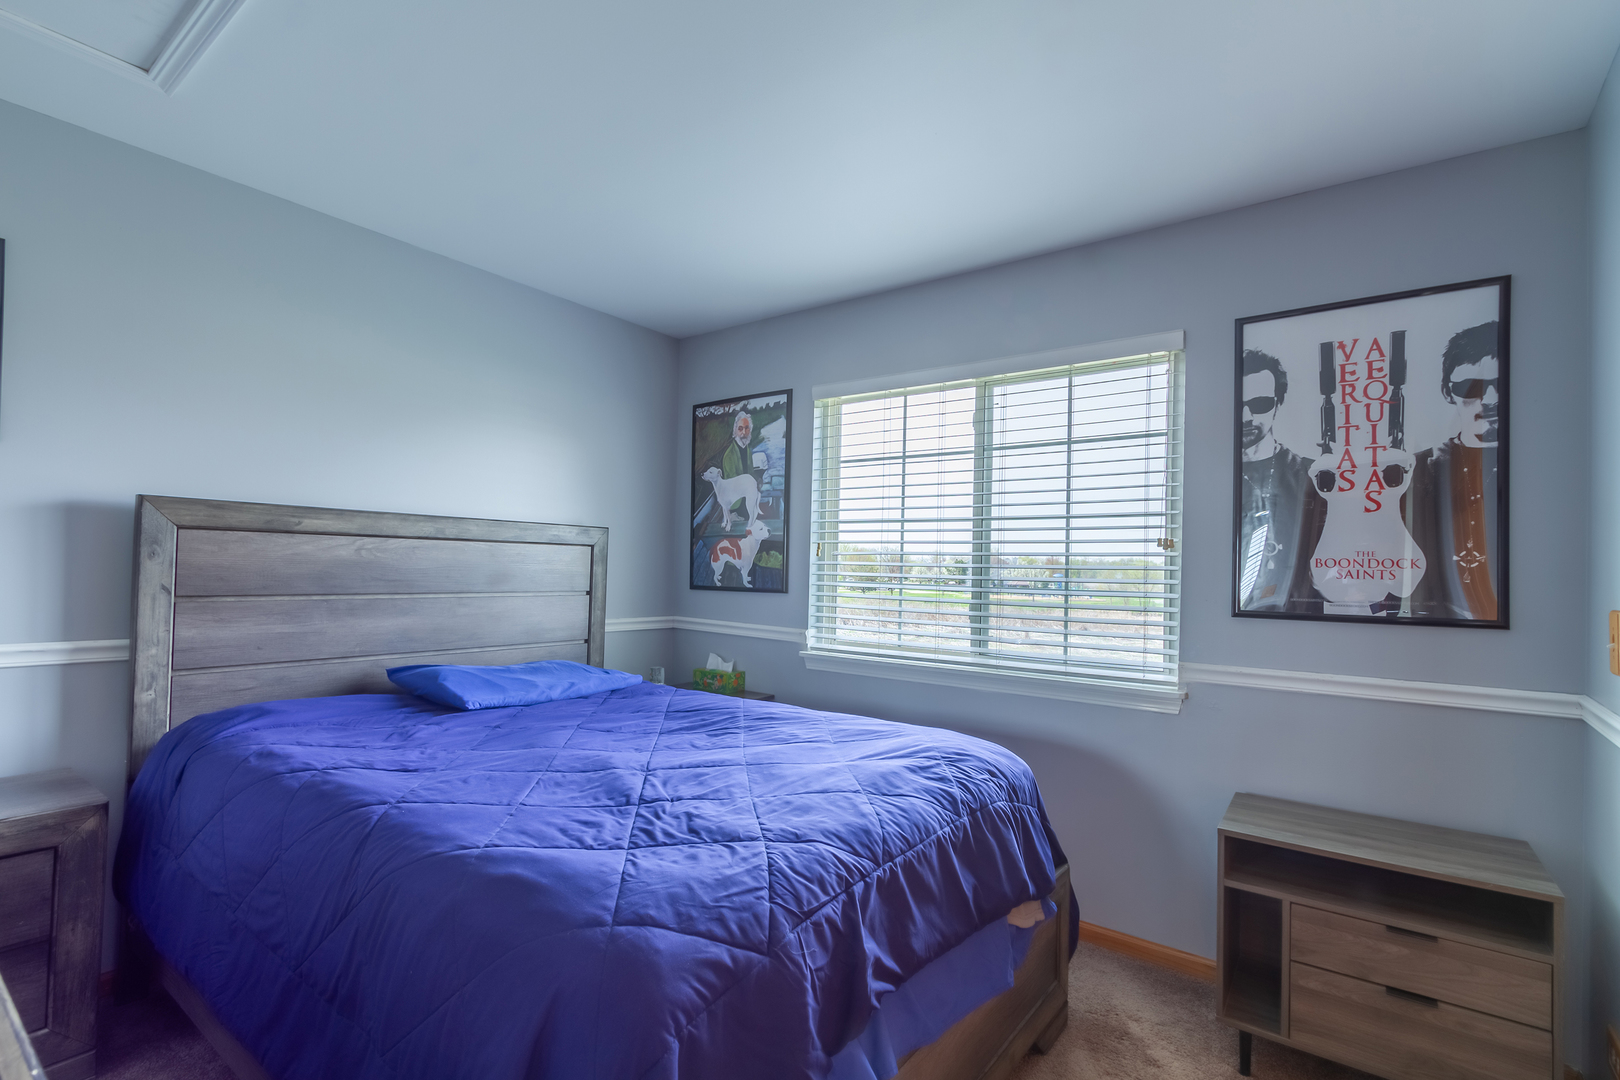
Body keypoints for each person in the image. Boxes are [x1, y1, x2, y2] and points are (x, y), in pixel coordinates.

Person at [1405, 321, 1501, 621]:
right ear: (1448, 392)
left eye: (1500, 383)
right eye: (1471, 388)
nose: (1490, 399)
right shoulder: (1421, 467)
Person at [1237, 349, 1323, 613]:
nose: (1246, 417)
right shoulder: (1210, 480)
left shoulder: (1312, 474)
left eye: (1260, 404)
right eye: (1239, 404)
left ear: (1278, 403)